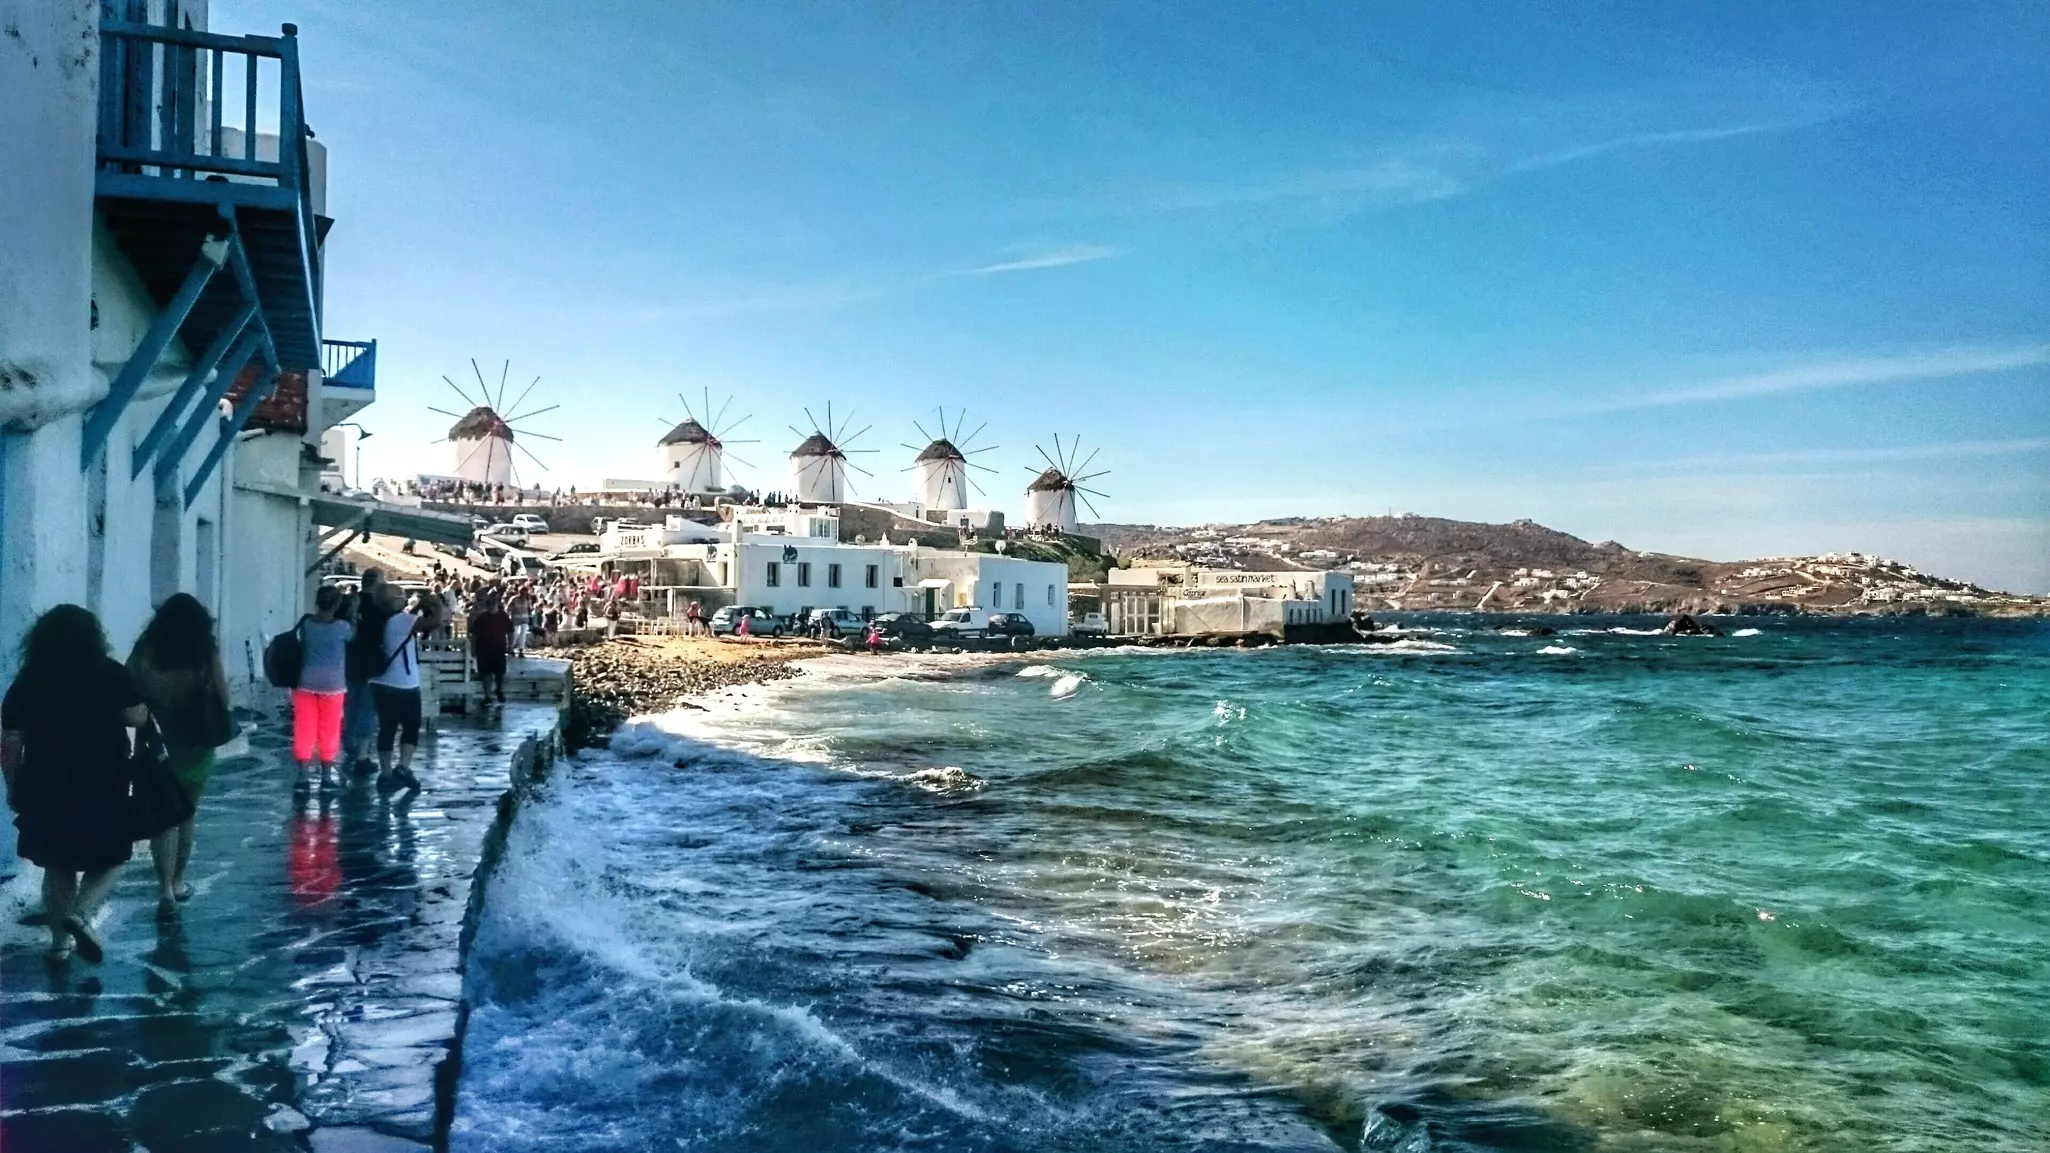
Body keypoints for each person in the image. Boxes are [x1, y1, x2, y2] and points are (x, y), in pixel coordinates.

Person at [1, 605, 148, 962]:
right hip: (104, 779)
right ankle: (81, 915)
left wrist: (14, 785)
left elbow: (11, 741)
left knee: (58, 862)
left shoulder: (30, 680)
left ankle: (59, 944)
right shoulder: (108, 672)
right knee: (113, 855)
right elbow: (136, 716)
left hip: (46, 781)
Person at [127, 593, 234, 912]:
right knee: (186, 810)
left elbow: (127, 683)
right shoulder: (204, 650)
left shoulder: (146, 648)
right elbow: (224, 698)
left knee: (163, 815)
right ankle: (178, 880)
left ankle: (164, 889)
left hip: (155, 741)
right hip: (196, 740)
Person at [369, 583, 436, 793]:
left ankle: (386, 772)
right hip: (404, 683)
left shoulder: (376, 618)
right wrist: (435, 602)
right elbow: (435, 621)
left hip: (378, 681)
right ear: (394, 600)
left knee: (386, 728)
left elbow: (404, 627)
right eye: (401, 596)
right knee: (410, 726)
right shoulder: (402, 621)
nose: (404, 599)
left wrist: (416, 610)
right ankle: (403, 768)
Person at [293, 585, 355, 791]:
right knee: (329, 729)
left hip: (306, 681)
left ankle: (303, 775)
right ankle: (326, 775)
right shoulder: (342, 628)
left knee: (305, 727)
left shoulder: (306, 625)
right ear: (337, 605)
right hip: (333, 684)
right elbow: (353, 638)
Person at [341, 568, 390, 775]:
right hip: (371, 667)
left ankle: (349, 747)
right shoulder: (380, 609)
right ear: (378, 584)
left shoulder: (347, 603)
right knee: (367, 711)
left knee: (351, 707)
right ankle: (362, 756)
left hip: (349, 664)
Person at [469, 592, 512, 705]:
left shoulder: (503, 616)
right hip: (484, 650)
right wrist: (473, 650)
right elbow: (474, 635)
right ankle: (488, 695)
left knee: (500, 673)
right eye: (490, 604)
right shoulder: (481, 618)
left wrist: (511, 646)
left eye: (494, 604)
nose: (492, 606)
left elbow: (510, 631)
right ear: (487, 606)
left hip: (499, 649)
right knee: (485, 674)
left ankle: (499, 690)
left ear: (497, 604)